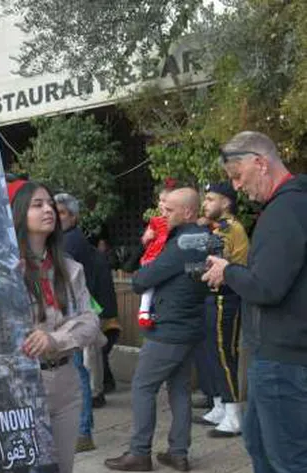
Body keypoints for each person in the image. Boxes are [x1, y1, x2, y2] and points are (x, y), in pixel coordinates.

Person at [202, 131, 307, 473]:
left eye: (238, 177)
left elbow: (267, 287)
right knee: (260, 443)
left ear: (260, 163)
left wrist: (228, 271)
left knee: (286, 459)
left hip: (283, 360)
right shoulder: (292, 206)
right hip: (279, 356)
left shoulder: (285, 210)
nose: (237, 187)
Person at [105, 188, 209, 472]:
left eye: (170, 210)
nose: (163, 214)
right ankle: (178, 453)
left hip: (170, 328)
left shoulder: (182, 243)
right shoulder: (206, 239)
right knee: (179, 389)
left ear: (188, 211)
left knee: (142, 386)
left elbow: (142, 280)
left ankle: (139, 453)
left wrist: (144, 272)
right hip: (191, 325)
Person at [8, 179, 101, 473]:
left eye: (50, 204)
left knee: (62, 466)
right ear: (19, 212)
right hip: (19, 385)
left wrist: (55, 339)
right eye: (37, 205)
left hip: (64, 381)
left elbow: (90, 322)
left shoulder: (71, 269)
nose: (48, 209)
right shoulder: (6, 269)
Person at [54, 193, 113, 453]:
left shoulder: (70, 243)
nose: (56, 217)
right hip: (70, 318)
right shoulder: (64, 240)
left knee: (78, 373)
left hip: (73, 319)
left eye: (62, 213)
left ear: (74, 217)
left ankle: (83, 431)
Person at [192, 182, 248, 438]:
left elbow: (207, 263)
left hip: (227, 297)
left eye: (211, 199)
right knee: (212, 353)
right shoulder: (216, 228)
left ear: (226, 203)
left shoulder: (229, 229)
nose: (205, 204)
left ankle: (234, 414)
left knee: (225, 355)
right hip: (213, 297)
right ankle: (219, 405)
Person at [137, 181, 176, 329]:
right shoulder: (155, 221)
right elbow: (146, 242)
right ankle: (144, 311)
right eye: (160, 200)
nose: (161, 204)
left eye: (164, 200)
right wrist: (146, 238)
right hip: (153, 256)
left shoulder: (175, 223)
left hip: (165, 257)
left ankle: (150, 312)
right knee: (149, 286)